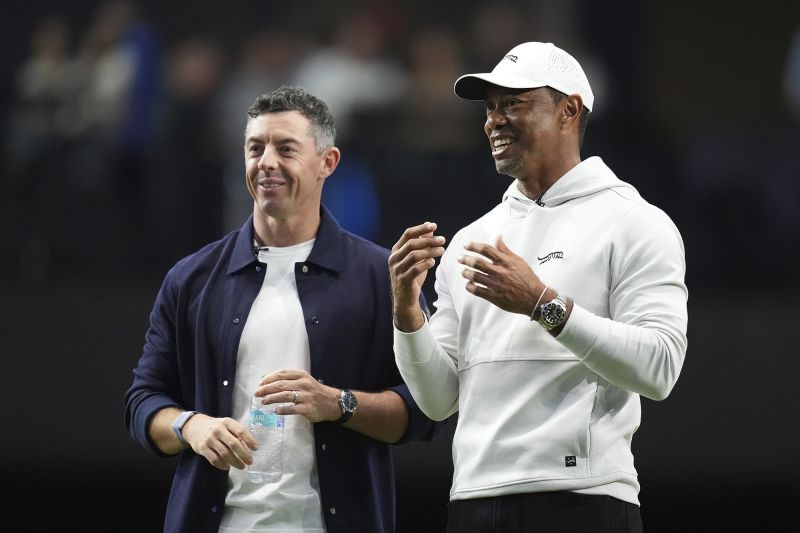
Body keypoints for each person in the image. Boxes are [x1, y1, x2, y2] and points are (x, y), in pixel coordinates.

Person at [389, 42, 688, 532]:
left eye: (514, 103)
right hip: (473, 500)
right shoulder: (473, 238)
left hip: (583, 501)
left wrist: (541, 304)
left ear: (569, 110)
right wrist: (407, 315)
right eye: (490, 108)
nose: (494, 120)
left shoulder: (634, 223)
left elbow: (659, 367)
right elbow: (438, 400)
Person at [125, 85, 441, 533]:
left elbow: (425, 412)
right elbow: (143, 401)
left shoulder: (379, 276)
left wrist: (337, 403)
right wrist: (190, 427)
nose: (266, 162)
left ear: (327, 163)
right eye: (255, 148)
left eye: (286, 148)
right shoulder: (191, 279)